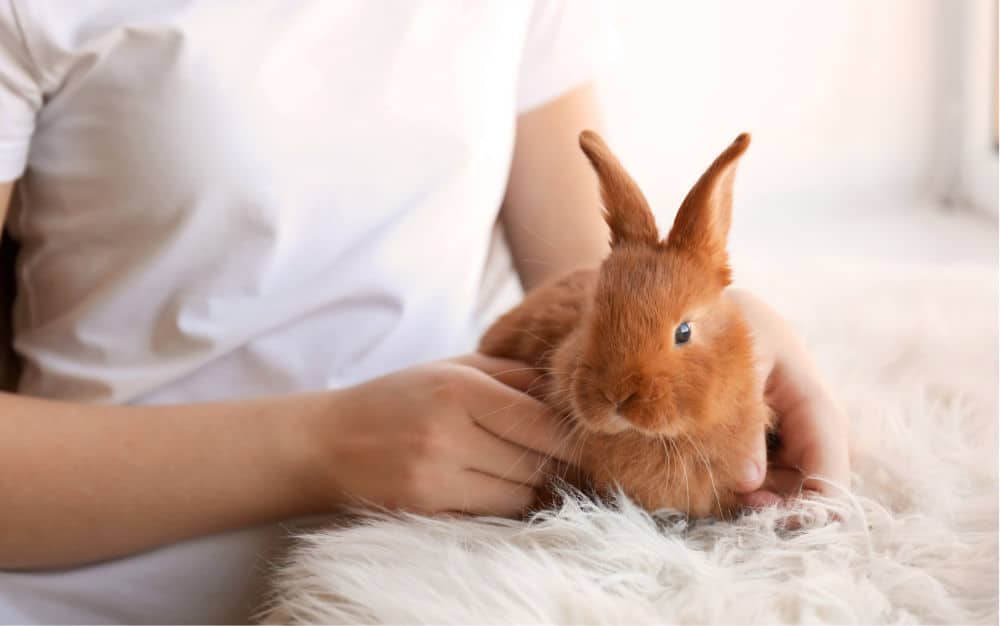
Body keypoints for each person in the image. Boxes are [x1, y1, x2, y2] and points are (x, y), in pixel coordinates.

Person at [0, 1, 850, 623]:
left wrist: (732, 334)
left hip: (433, 580)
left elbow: (594, 291)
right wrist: (323, 446)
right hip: (94, 584)